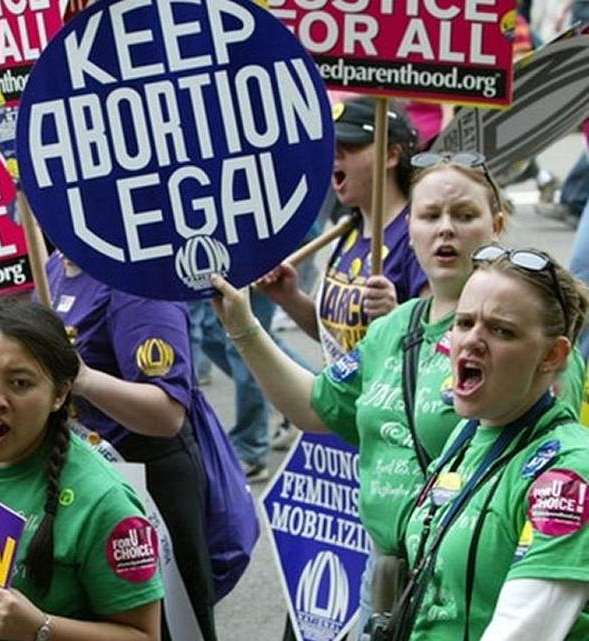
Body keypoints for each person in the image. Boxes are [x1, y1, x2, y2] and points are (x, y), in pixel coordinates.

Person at [212, 152, 583, 634]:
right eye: (430, 215)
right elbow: (317, 405)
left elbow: (553, 470)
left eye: (464, 215)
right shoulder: (393, 331)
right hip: (392, 576)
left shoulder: (542, 372)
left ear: (495, 225)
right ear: (408, 226)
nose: (445, 229)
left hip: (480, 582)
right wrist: (244, 327)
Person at [0, 300, 163, 641]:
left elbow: (143, 636)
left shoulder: (104, 500)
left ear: (60, 393)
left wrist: (40, 628)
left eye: (20, 383)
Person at [392, 245, 589, 640]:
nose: (473, 341)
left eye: (502, 330)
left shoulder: (568, 475)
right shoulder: (469, 433)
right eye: (465, 323)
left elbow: (523, 632)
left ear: (552, 354)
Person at [259, 96, 428, 365]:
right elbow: (336, 336)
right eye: (331, 145)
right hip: (343, 405)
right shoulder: (348, 230)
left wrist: (395, 316)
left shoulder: (418, 235)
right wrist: (289, 297)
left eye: (350, 145)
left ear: (392, 155)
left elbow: (438, 348)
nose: (334, 155)